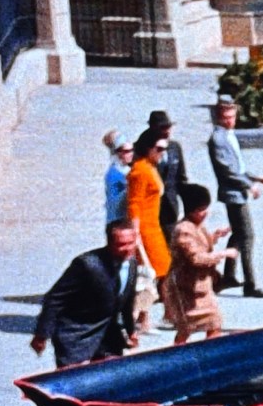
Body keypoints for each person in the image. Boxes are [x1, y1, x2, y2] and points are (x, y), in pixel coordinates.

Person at [31, 220, 139, 368]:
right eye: (121, 245)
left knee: (109, 380)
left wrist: (131, 330)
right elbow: (55, 299)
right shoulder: (87, 264)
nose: (127, 249)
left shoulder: (132, 263)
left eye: (131, 243)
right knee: (74, 383)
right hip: (77, 335)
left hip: (108, 337)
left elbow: (127, 301)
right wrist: (41, 335)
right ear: (109, 243)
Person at [208, 96, 263, 298]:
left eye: (233, 116)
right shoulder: (218, 139)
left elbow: (239, 167)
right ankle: (250, 284)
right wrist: (249, 185)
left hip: (238, 191)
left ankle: (229, 275)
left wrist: (256, 177)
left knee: (237, 233)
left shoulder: (229, 135)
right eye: (227, 117)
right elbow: (228, 171)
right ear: (219, 117)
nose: (231, 120)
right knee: (247, 236)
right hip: (233, 194)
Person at [164, 184, 238, 345]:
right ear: (191, 211)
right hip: (186, 289)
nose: (205, 213)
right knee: (186, 329)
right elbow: (196, 258)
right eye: (201, 210)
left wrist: (216, 236)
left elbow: (201, 245)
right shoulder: (183, 230)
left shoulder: (198, 226)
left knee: (215, 322)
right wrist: (223, 254)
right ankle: (176, 356)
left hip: (202, 287)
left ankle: (209, 352)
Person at [127, 131, 172, 293]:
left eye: (164, 149)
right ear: (148, 148)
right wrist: (136, 233)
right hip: (145, 229)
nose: (162, 153)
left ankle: (145, 314)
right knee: (152, 272)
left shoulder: (149, 167)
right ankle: (140, 313)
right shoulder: (140, 171)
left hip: (154, 227)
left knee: (159, 270)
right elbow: (134, 203)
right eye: (159, 149)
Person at [146, 110, 188, 243]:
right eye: (163, 128)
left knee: (171, 246)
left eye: (168, 127)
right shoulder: (142, 149)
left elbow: (181, 179)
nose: (167, 131)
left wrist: (189, 209)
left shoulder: (175, 147)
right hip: (151, 209)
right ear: (153, 128)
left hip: (171, 208)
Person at [102, 129, 133, 223]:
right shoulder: (114, 173)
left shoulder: (125, 170)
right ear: (118, 152)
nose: (131, 154)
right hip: (117, 221)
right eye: (126, 151)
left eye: (132, 150)